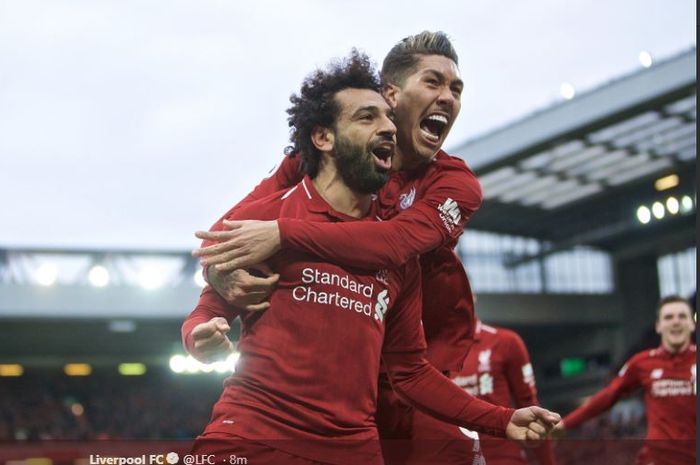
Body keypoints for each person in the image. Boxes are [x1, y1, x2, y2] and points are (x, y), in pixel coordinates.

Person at [184, 50, 559, 465]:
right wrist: (210, 303)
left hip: (377, 419)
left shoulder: (445, 193)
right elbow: (217, 250)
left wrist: (500, 419)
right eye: (433, 82)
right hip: (256, 437)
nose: (448, 97)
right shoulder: (282, 199)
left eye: (456, 88)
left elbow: (409, 354)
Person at [553, 295, 696, 465]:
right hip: (656, 459)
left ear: (692, 323)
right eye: (668, 317)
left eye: (682, 316)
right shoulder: (642, 363)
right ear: (658, 326)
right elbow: (608, 396)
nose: (676, 322)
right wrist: (566, 423)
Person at [453, 319, 556, 465]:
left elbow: (530, 406)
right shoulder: (428, 351)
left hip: (501, 457)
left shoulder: (505, 342)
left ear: (473, 296)